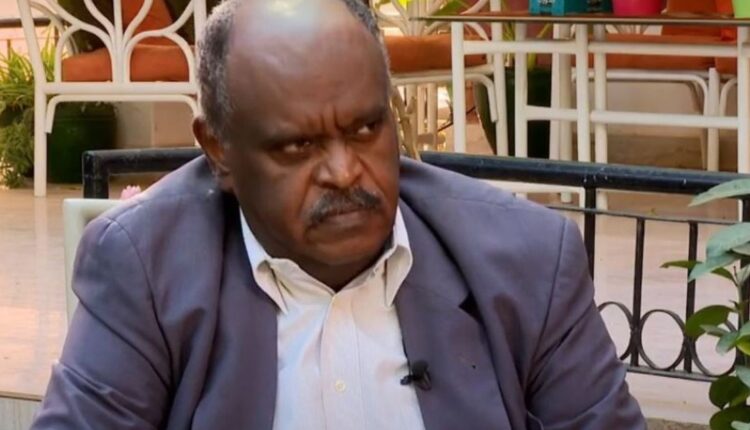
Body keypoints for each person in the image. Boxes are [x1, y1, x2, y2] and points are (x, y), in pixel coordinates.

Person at [31, 0, 646, 428]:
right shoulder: (146, 267)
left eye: (365, 128)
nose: (345, 171)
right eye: (297, 146)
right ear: (218, 150)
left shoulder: (527, 260)